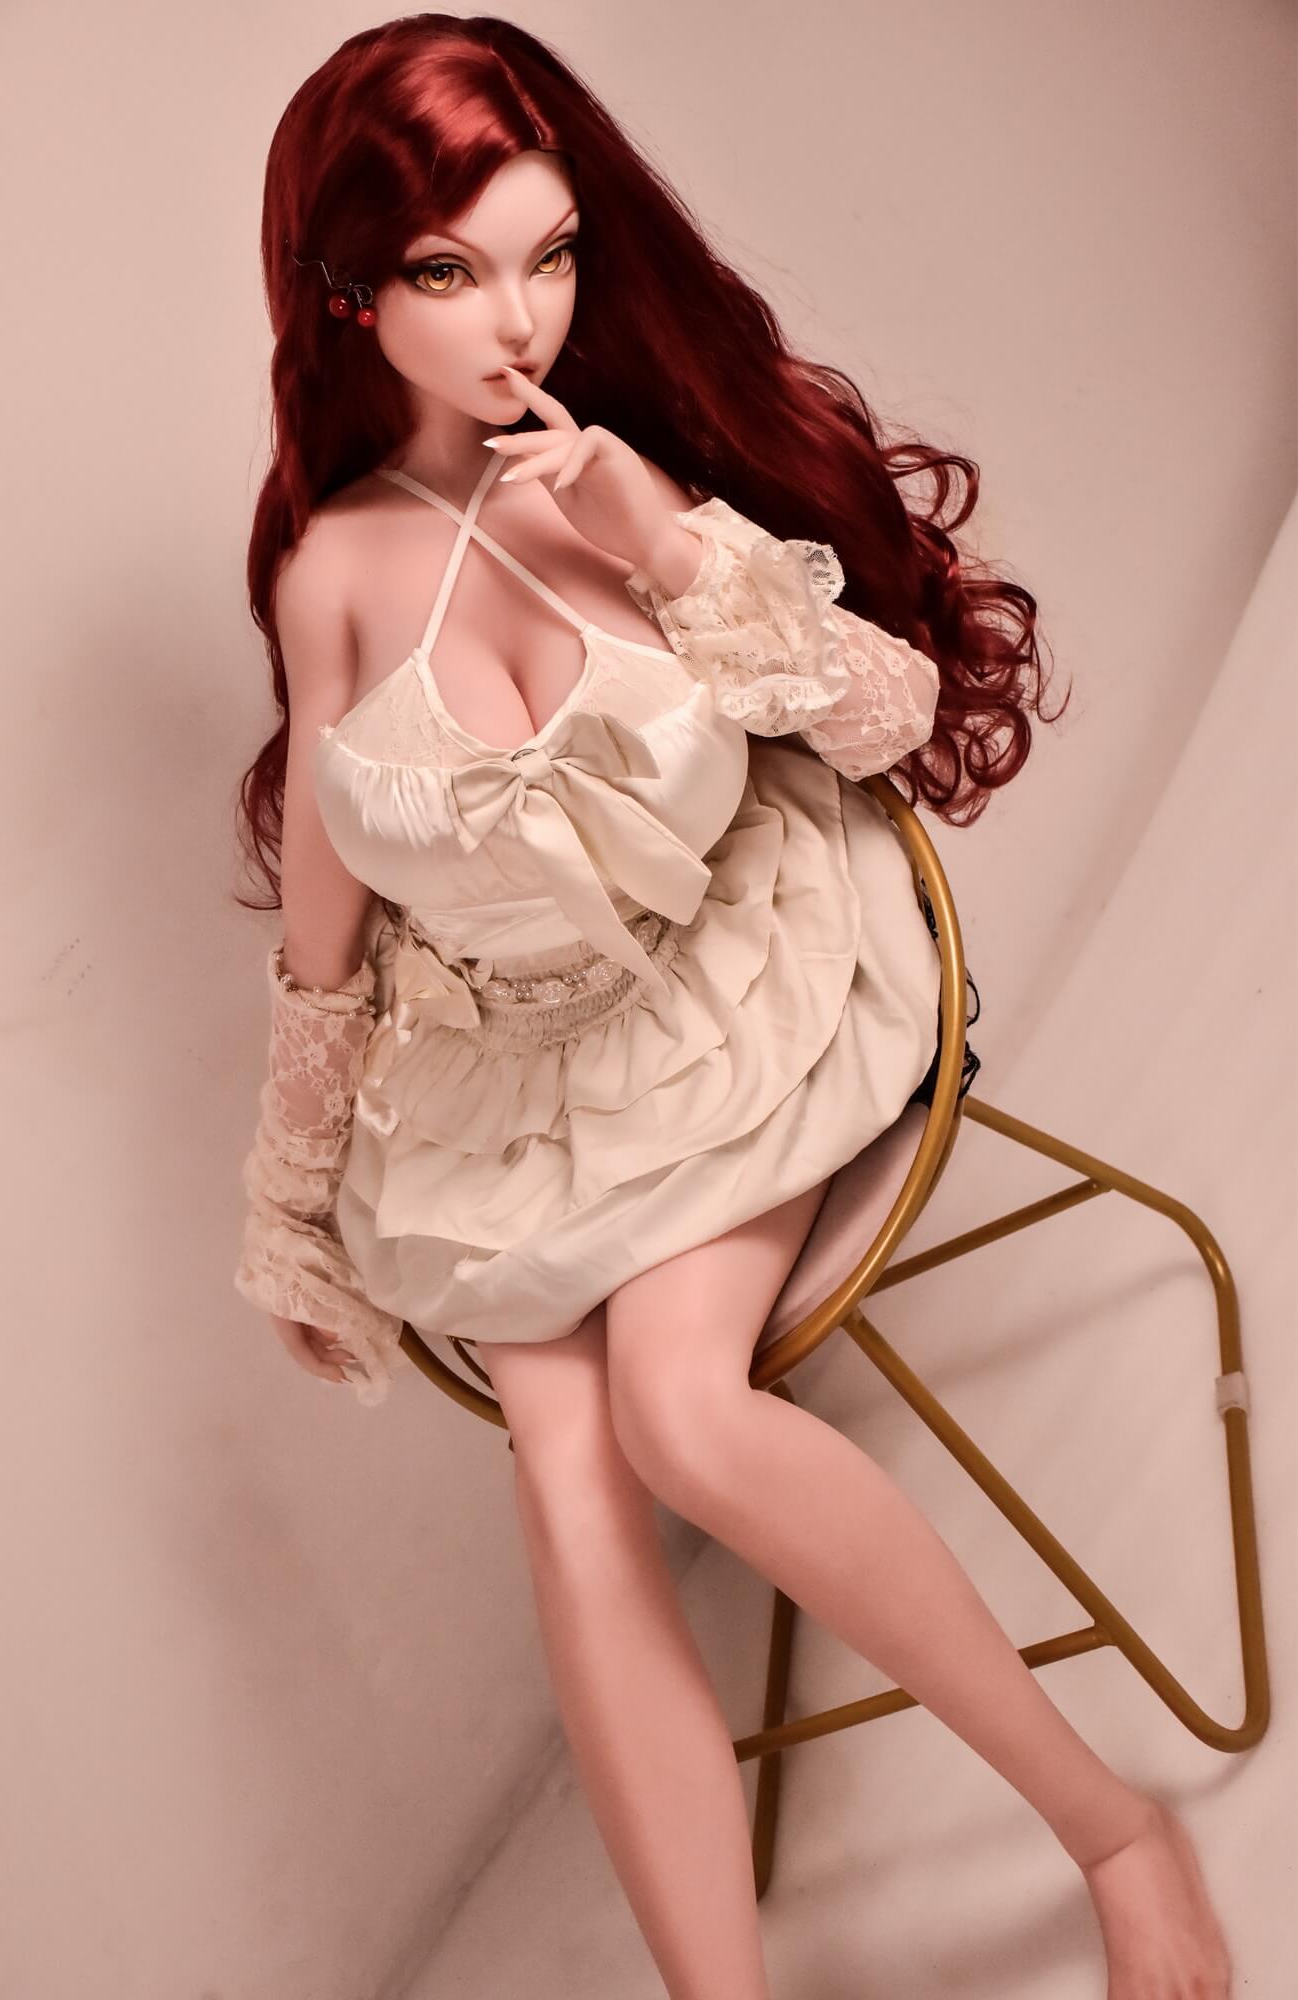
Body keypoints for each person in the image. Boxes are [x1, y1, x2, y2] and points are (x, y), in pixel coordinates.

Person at [230, 17, 1232, 1997]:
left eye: (549, 255)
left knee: (679, 1412)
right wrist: (287, 1192)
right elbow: (332, 922)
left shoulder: (620, 468)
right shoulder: (329, 570)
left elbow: (883, 717)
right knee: (567, 1477)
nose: (517, 319)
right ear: (347, 296)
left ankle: (1114, 1824)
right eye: (449, 271)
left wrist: (663, 538)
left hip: (739, 975)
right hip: (508, 1059)